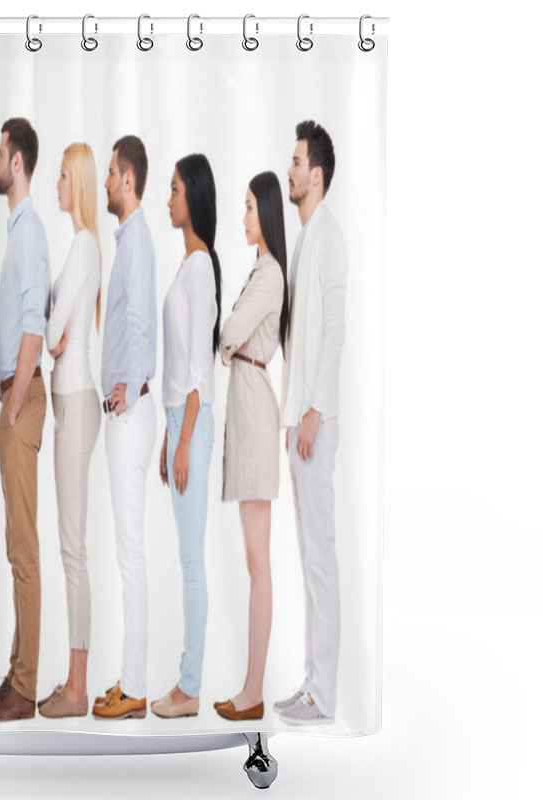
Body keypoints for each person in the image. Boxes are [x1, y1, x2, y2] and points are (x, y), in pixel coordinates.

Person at [0, 118, 50, 722]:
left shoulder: (29, 234)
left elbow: (35, 324)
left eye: (1, 153)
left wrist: (14, 397)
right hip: (16, 393)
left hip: (19, 396)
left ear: (18, 162)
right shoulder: (18, 231)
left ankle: (25, 689)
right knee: (13, 543)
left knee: (23, 548)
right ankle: (15, 675)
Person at [275, 120, 346, 726]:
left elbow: (335, 328)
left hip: (313, 426)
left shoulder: (328, 236)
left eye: (296, 162)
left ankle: (323, 695)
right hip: (300, 424)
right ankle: (311, 684)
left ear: (315, 174)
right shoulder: (305, 238)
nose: (289, 170)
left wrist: (315, 411)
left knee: (320, 556)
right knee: (309, 557)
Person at [215, 171, 290, 722]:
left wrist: (227, 342)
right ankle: (249, 686)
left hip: (257, 413)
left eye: (246, 207)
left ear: (265, 210)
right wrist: (227, 342)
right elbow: (228, 336)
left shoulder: (270, 274)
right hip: (246, 409)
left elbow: (230, 331)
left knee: (259, 563)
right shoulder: (259, 269)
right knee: (252, 560)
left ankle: (253, 690)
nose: (242, 217)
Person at [152, 154, 221, 719]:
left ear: (193, 196)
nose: (167, 198)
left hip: (192, 425)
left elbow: (199, 368)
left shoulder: (201, 269)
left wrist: (182, 438)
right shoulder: (187, 266)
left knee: (192, 561)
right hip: (179, 423)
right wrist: (165, 433)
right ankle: (186, 683)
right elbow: (177, 366)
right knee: (185, 558)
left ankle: (190, 686)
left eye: (173, 189)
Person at [92, 135, 157, 720]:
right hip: (129, 411)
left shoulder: (135, 241)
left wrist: (130, 385)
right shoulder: (128, 241)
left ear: (128, 180)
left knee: (130, 554)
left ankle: (135, 687)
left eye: (111, 172)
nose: (106, 182)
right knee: (126, 552)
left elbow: (140, 320)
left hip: (129, 416)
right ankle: (128, 679)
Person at [37, 143, 102, 719]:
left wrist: (50, 331)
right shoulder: (79, 247)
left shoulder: (83, 246)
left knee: (72, 548)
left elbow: (55, 332)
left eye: (61, 175)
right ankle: (73, 680)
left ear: (75, 183)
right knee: (71, 546)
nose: (55, 183)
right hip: (73, 400)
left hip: (76, 399)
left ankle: (78, 689)